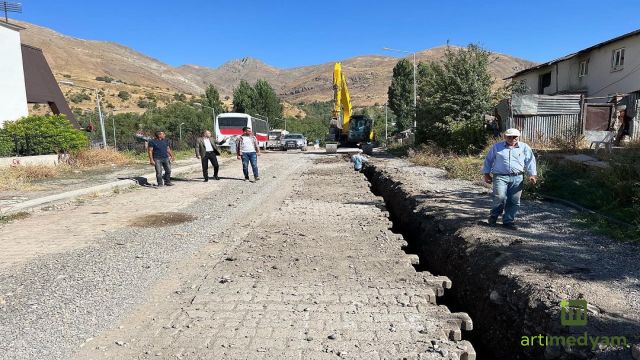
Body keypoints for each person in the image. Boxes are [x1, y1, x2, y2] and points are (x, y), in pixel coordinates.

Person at [482, 128, 537, 230]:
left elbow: (530, 161)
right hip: (500, 176)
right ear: (505, 137)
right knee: (500, 197)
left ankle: (508, 221)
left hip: (517, 177)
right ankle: (493, 216)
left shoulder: (524, 147)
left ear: (518, 137)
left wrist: (532, 175)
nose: (512, 139)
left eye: (515, 137)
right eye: (509, 137)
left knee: (514, 200)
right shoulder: (497, 147)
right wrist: (486, 174)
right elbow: (488, 160)